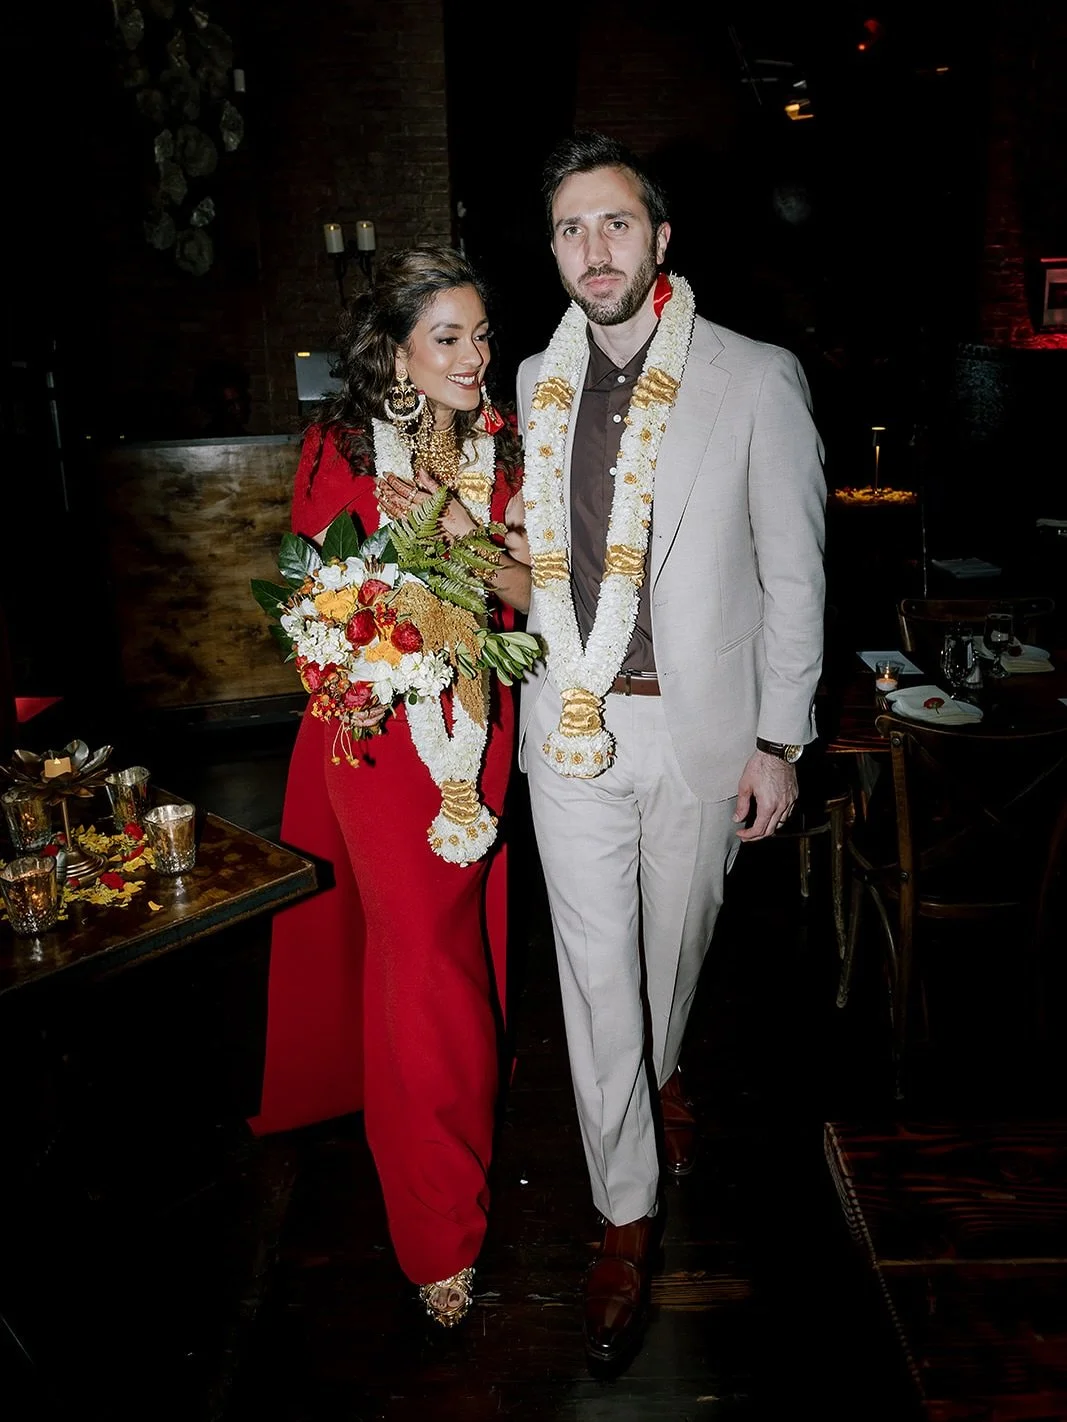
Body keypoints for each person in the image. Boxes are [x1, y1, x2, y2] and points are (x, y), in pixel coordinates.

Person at [514, 131, 826, 1369]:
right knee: (594, 981)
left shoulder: (752, 379)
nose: (594, 250)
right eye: (570, 230)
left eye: (614, 225)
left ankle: (659, 1070)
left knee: (665, 958)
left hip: (698, 729)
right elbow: (521, 566)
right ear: (552, 251)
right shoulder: (528, 392)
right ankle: (623, 1217)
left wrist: (777, 738)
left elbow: (795, 569)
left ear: (658, 239)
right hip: (569, 729)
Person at [249, 246, 531, 1330]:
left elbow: (533, 597)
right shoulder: (339, 447)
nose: (474, 357)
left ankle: (442, 1134)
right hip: (371, 736)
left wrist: (464, 534)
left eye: (481, 334)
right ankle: (435, 1231)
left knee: (453, 955)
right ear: (397, 355)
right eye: (448, 338)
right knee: (421, 963)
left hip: (473, 726)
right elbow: (310, 604)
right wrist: (358, 643)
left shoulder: (509, 451)